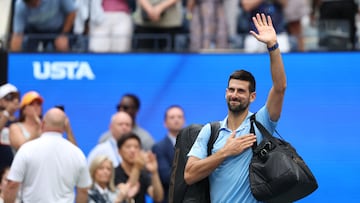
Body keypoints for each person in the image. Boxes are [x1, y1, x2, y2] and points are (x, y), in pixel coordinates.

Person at [184, 13, 287, 202]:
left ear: (252, 96)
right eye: (231, 89)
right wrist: (225, 152)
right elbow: (190, 174)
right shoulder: (210, 131)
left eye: (241, 91)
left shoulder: (260, 124)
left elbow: (280, 88)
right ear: (225, 92)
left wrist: (272, 46)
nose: (234, 94)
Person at [4, 108, 92, 203]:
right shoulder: (77, 154)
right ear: (64, 127)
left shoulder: (27, 149)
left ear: (42, 124)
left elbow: (12, 185)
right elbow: (83, 190)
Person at [10, 0, 77, 52]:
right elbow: (17, 35)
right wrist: (14, 54)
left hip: (59, 29)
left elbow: (72, 12)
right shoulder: (20, 6)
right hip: (35, 31)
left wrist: (64, 34)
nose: (36, 5)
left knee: (62, 46)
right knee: (25, 46)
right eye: (31, 4)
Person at [115, 132, 164, 203]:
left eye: (136, 147)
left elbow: (158, 197)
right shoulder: (114, 173)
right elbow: (128, 193)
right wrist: (137, 168)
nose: (132, 150)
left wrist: (154, 172)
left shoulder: (143, 174)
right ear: (119, 151)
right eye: (128, 147)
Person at [151, 105, 185, 203]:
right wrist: (191, 173)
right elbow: (166, 177)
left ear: (184, 121)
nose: (176, 120)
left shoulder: (192, 144)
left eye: (179, 117)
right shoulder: (159, 147)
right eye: (172, 117)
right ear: (165, 123)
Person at [0, 84, 20, 171]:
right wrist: (7, 112)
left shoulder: (19, 121)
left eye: (16, 97)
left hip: (14, 166)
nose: (14, 101)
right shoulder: (3, 119)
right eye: (9, 97)